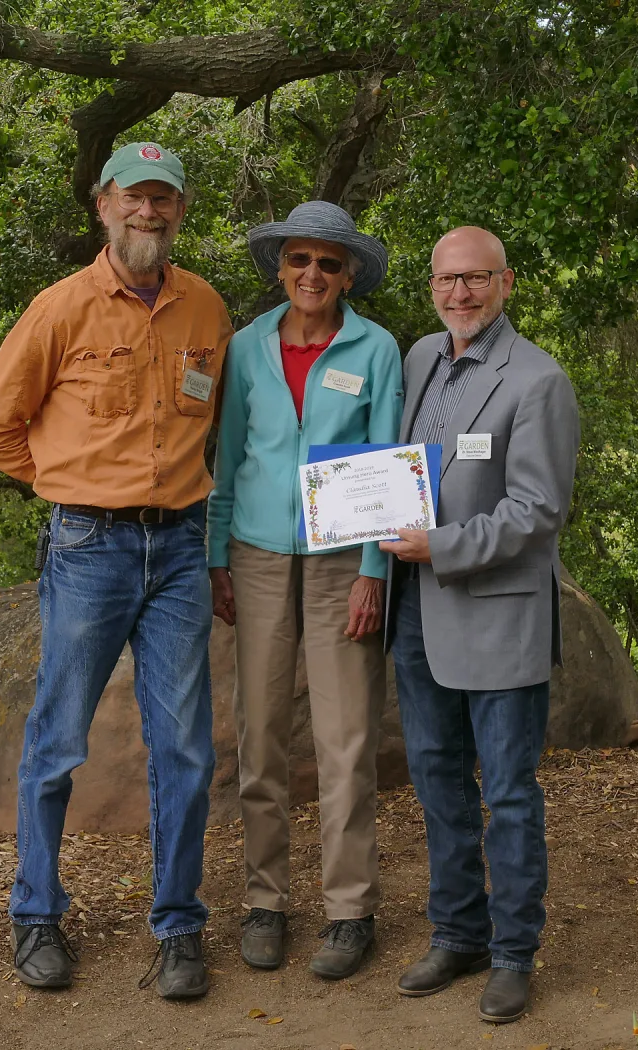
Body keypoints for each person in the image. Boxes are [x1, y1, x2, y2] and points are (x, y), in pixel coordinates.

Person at [0, 142, 232, 1001]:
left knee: (185, 748)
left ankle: (179, 926)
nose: (148, 212)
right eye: (134, 197)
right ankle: (36, 913)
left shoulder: (206, 308)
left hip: (181, 549)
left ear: (180, 211)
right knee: (57, 742)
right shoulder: (60, 308)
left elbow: (217, 427)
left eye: (164, 199)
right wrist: (68, 487)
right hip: (89, 550)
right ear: (104, 205)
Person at [379, 226, 579, 1024]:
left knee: (509, 792)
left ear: (506, 282)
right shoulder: (420, 357)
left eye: (475, 279)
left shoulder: (538, 380)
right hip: (417, 613)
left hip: (497, 616)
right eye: (446, 280)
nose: (459, 293)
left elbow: (537, 511)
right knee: (437, 781)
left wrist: (442, 546)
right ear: (431, 286)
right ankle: (458, 933)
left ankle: (513, 954)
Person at [207, 201, 403, 979]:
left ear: (348, 274)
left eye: (328, 262)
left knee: (346, 742)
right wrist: (217, 556)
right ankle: (265, 902)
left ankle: (350, 912)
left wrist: (373, 572)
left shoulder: (375, 348)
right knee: (259, 739)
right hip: (255, 557)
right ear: (280, 268)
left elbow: (386, 461)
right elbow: (227, 459)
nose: (312, 274)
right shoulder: (246, 347)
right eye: (299, 260)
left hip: (340, 562)